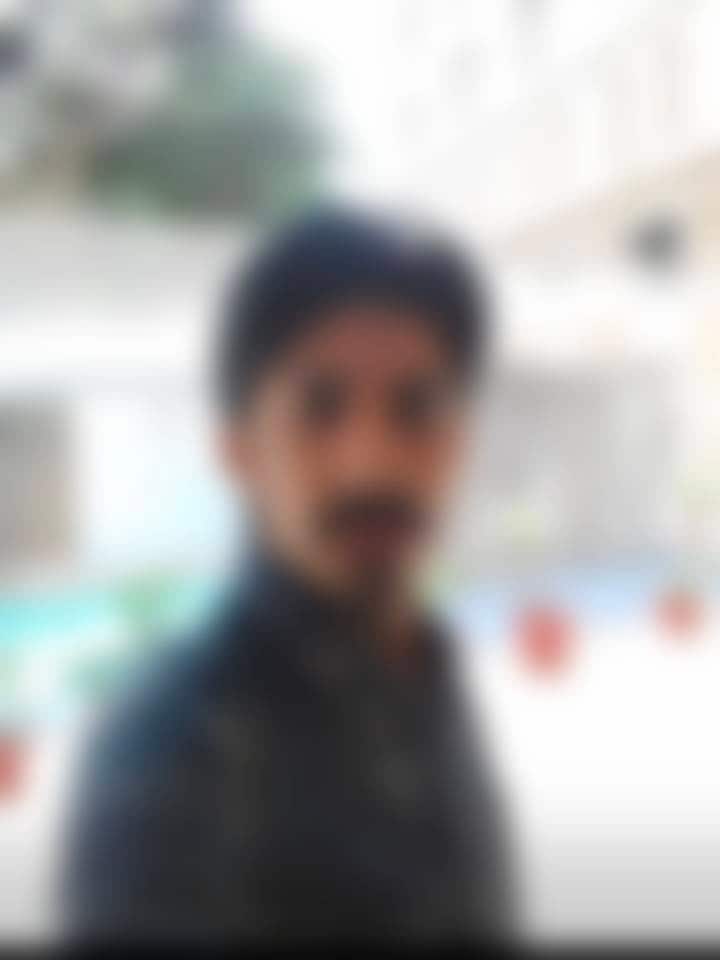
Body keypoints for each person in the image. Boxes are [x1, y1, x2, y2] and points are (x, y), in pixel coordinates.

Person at [62, 206, 516, 943]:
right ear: (240, 453)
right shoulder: (172, 748)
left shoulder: (428, 673)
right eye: (319, 408)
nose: (371, 464)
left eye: (417, 407)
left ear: (458, 443)